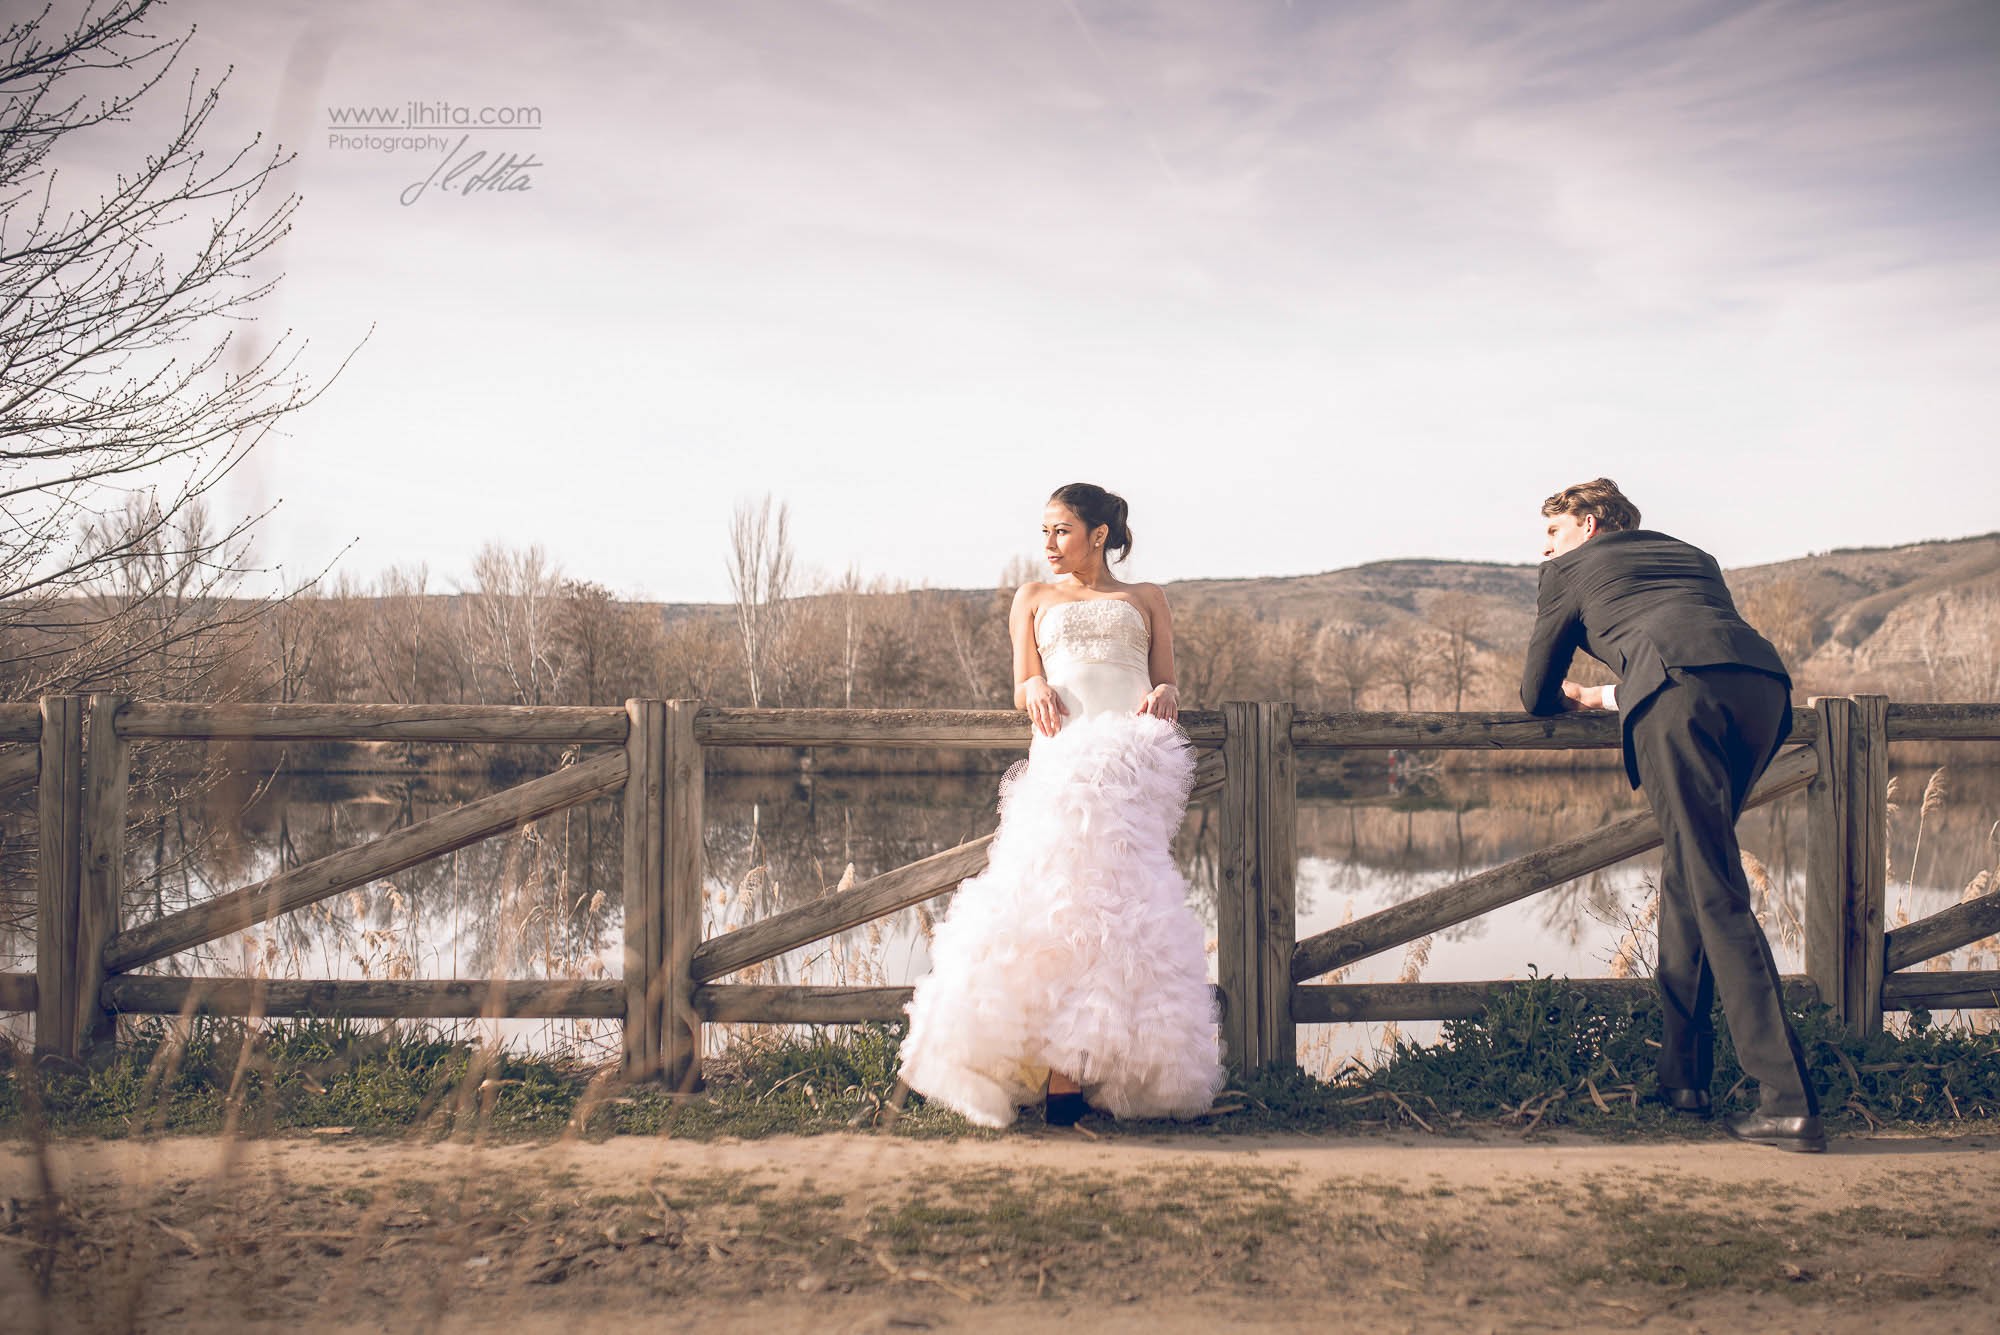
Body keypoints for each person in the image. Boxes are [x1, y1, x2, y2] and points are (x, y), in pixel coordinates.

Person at [897, 482, 1225, 1128]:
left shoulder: (1147, 598)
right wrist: (1037, 683)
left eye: (1061, 531)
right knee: (1050, 910)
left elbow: (1166, 678)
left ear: (1098, 536)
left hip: (1129, 768)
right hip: (1062, 763)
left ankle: (1099, 1070)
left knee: (1124, 917)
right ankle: (1054, 1071)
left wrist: (1164, 694)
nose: (1047, 544)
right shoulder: (1032, 598)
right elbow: (1023, 684)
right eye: (1044, 531)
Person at [1520, 478, 1823, 1152]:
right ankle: (1683, 1078)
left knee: (1715, 886)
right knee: (1691, 873)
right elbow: (1693, 641)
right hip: (1764, 692)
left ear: (1590, 526)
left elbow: (1534, 693)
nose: (1544, 549)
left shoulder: (1568, 572)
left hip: (1679, 698)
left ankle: (1788, 1100)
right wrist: (1612, 696)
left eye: (1552, 533)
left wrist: (1577, 700)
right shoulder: (1693, 557)